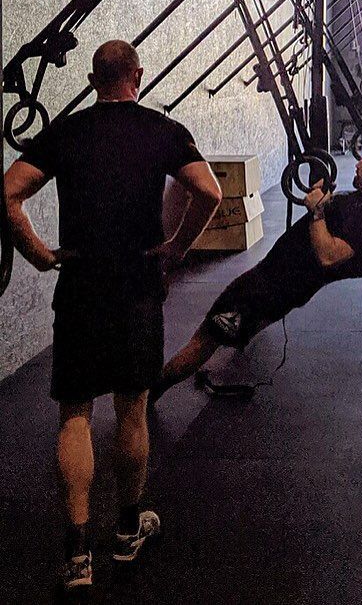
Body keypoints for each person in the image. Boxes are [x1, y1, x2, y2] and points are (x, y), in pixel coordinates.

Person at [3, 41, 222, 591]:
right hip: (136, 289)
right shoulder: (162, 130)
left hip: (80, 286)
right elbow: (209, 192)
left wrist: (41, 255)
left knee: (74, 415)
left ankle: (77, 556)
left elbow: (7, 193)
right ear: (138, 76)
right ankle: (128, 529)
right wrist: (174, 248)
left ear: (94, 78)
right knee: (131, 408)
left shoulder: (67, 131)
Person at [152, 148, 362, 399]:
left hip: (344, 261)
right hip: (293, 277)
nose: (357, 163)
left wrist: (318, 210)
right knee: (279, 300)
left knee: (207, 335)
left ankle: (150, 391)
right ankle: (242, 330)